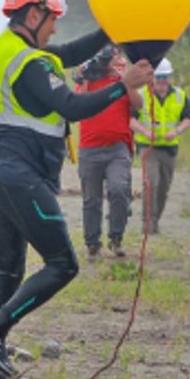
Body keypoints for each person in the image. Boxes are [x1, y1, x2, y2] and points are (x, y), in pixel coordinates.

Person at [0, 0, 153, 379]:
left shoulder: (9, 49)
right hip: (19, 177)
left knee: (7, 272)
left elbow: (65, 54)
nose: (54, 29)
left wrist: (110, 32)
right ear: (32, 15)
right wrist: (124, 86)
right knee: (63, 264)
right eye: (51, 20)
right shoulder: (31, 63)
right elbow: (72, 105)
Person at [74, 44, 142, 259]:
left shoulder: (121, 82)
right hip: (89, 148)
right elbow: (78, 105)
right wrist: (85, 76)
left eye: (118, 57)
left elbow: (138, 105)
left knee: (119, 189)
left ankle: (116, 237)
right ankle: (92, 243)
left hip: (117, 148)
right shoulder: (91, 80)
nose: (117, 61)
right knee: (91, 199)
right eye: (113, 58)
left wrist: (127, 83)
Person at [129, 59, 190, 235]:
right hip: (148, 147)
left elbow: (188, 118)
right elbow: (131, 119)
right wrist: (145, 132)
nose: (161, 83)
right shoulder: (141, 94)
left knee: (163, 187)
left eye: (165, 78)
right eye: (158, 78)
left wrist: (177, 131)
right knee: (150, 182)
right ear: (151, 78)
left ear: (170, 78)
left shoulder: (180, 95)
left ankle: (155, 220)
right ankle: (147, 224)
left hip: (169, 148)